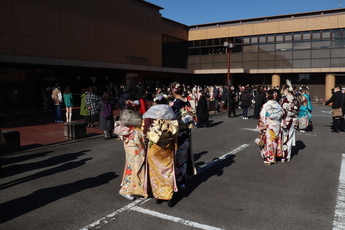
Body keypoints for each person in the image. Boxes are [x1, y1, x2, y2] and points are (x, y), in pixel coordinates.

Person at [142, 95, 179, 206]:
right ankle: (169, 196)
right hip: (167, 145)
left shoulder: (149, 113)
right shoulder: (170, 112)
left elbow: (144, 130)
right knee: (167, 170)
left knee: (155, 171)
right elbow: (176, 131)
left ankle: (158, 195)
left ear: (156, 102)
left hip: (154, 145)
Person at [114, 109, 147, 200]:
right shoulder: (135, 130)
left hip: (129, 150)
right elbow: (139, 141)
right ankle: (126, 190)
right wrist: (143, 149)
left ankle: (136, 189)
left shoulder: (123, 127)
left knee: (130, 168)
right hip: (136, 151)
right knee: (136, 169)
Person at [169, 82, 196, 189]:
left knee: (176, 156)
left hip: (178, 132)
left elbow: (172, 119)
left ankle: (177, 179)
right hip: (186, 132)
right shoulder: (186, 101)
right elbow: (192, 114)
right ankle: (182, 179)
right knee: (183, 156)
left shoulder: (176, 103)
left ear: (173, 91)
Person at [257, 90, 284, 165]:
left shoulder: (266, 105)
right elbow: (282, 115)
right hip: (277, 125)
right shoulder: (278, 105)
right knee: (275, 141)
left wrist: (261, 127)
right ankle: (274, 157)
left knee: (268, 142)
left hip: (269, 126)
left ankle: (269, 159)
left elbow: (262, 116)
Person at [280, 80, 299, 162]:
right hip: (294, 120)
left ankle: (284, 156)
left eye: (284, 90)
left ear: (287, 90)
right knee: (290, 137)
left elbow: (282, 111)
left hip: (286, 120)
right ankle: (288, 156)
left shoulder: (285, 100)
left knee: (285, 138)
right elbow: (297, 110)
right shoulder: (295, 100)